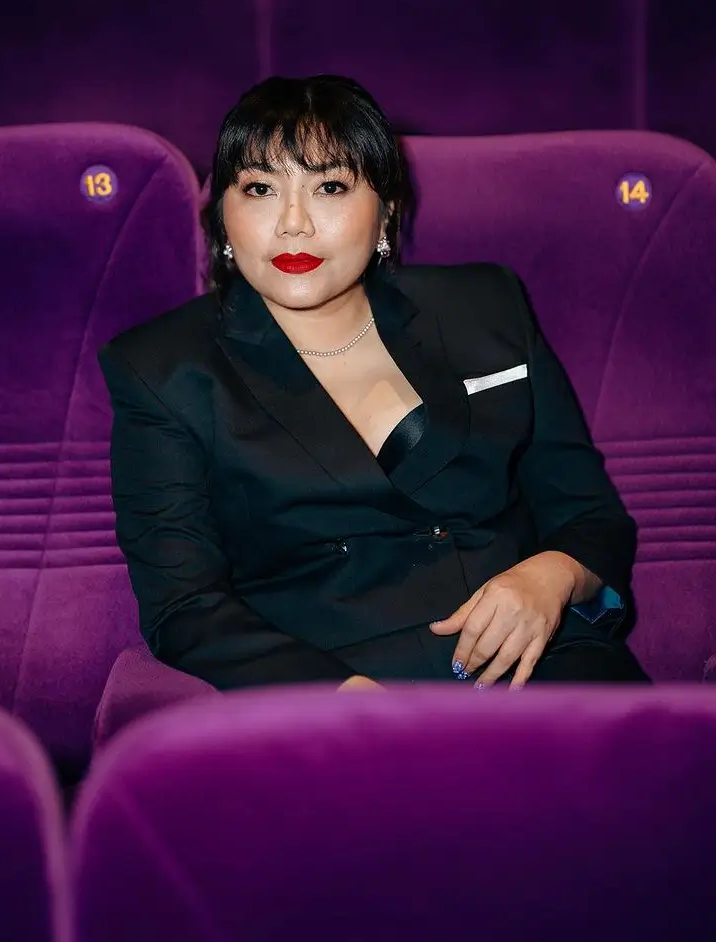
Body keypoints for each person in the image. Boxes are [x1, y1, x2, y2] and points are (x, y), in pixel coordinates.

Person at [99, 75, 649, 692]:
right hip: (336, 684)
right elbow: (184, 607)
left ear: (385, 208)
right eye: (260, 189)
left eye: (330, 187)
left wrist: (551, 576)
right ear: (224, 217)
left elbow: (590, 514)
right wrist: (338, 697)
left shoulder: (487, 307)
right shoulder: (162, 368)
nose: (293, 224)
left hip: (539, 663)